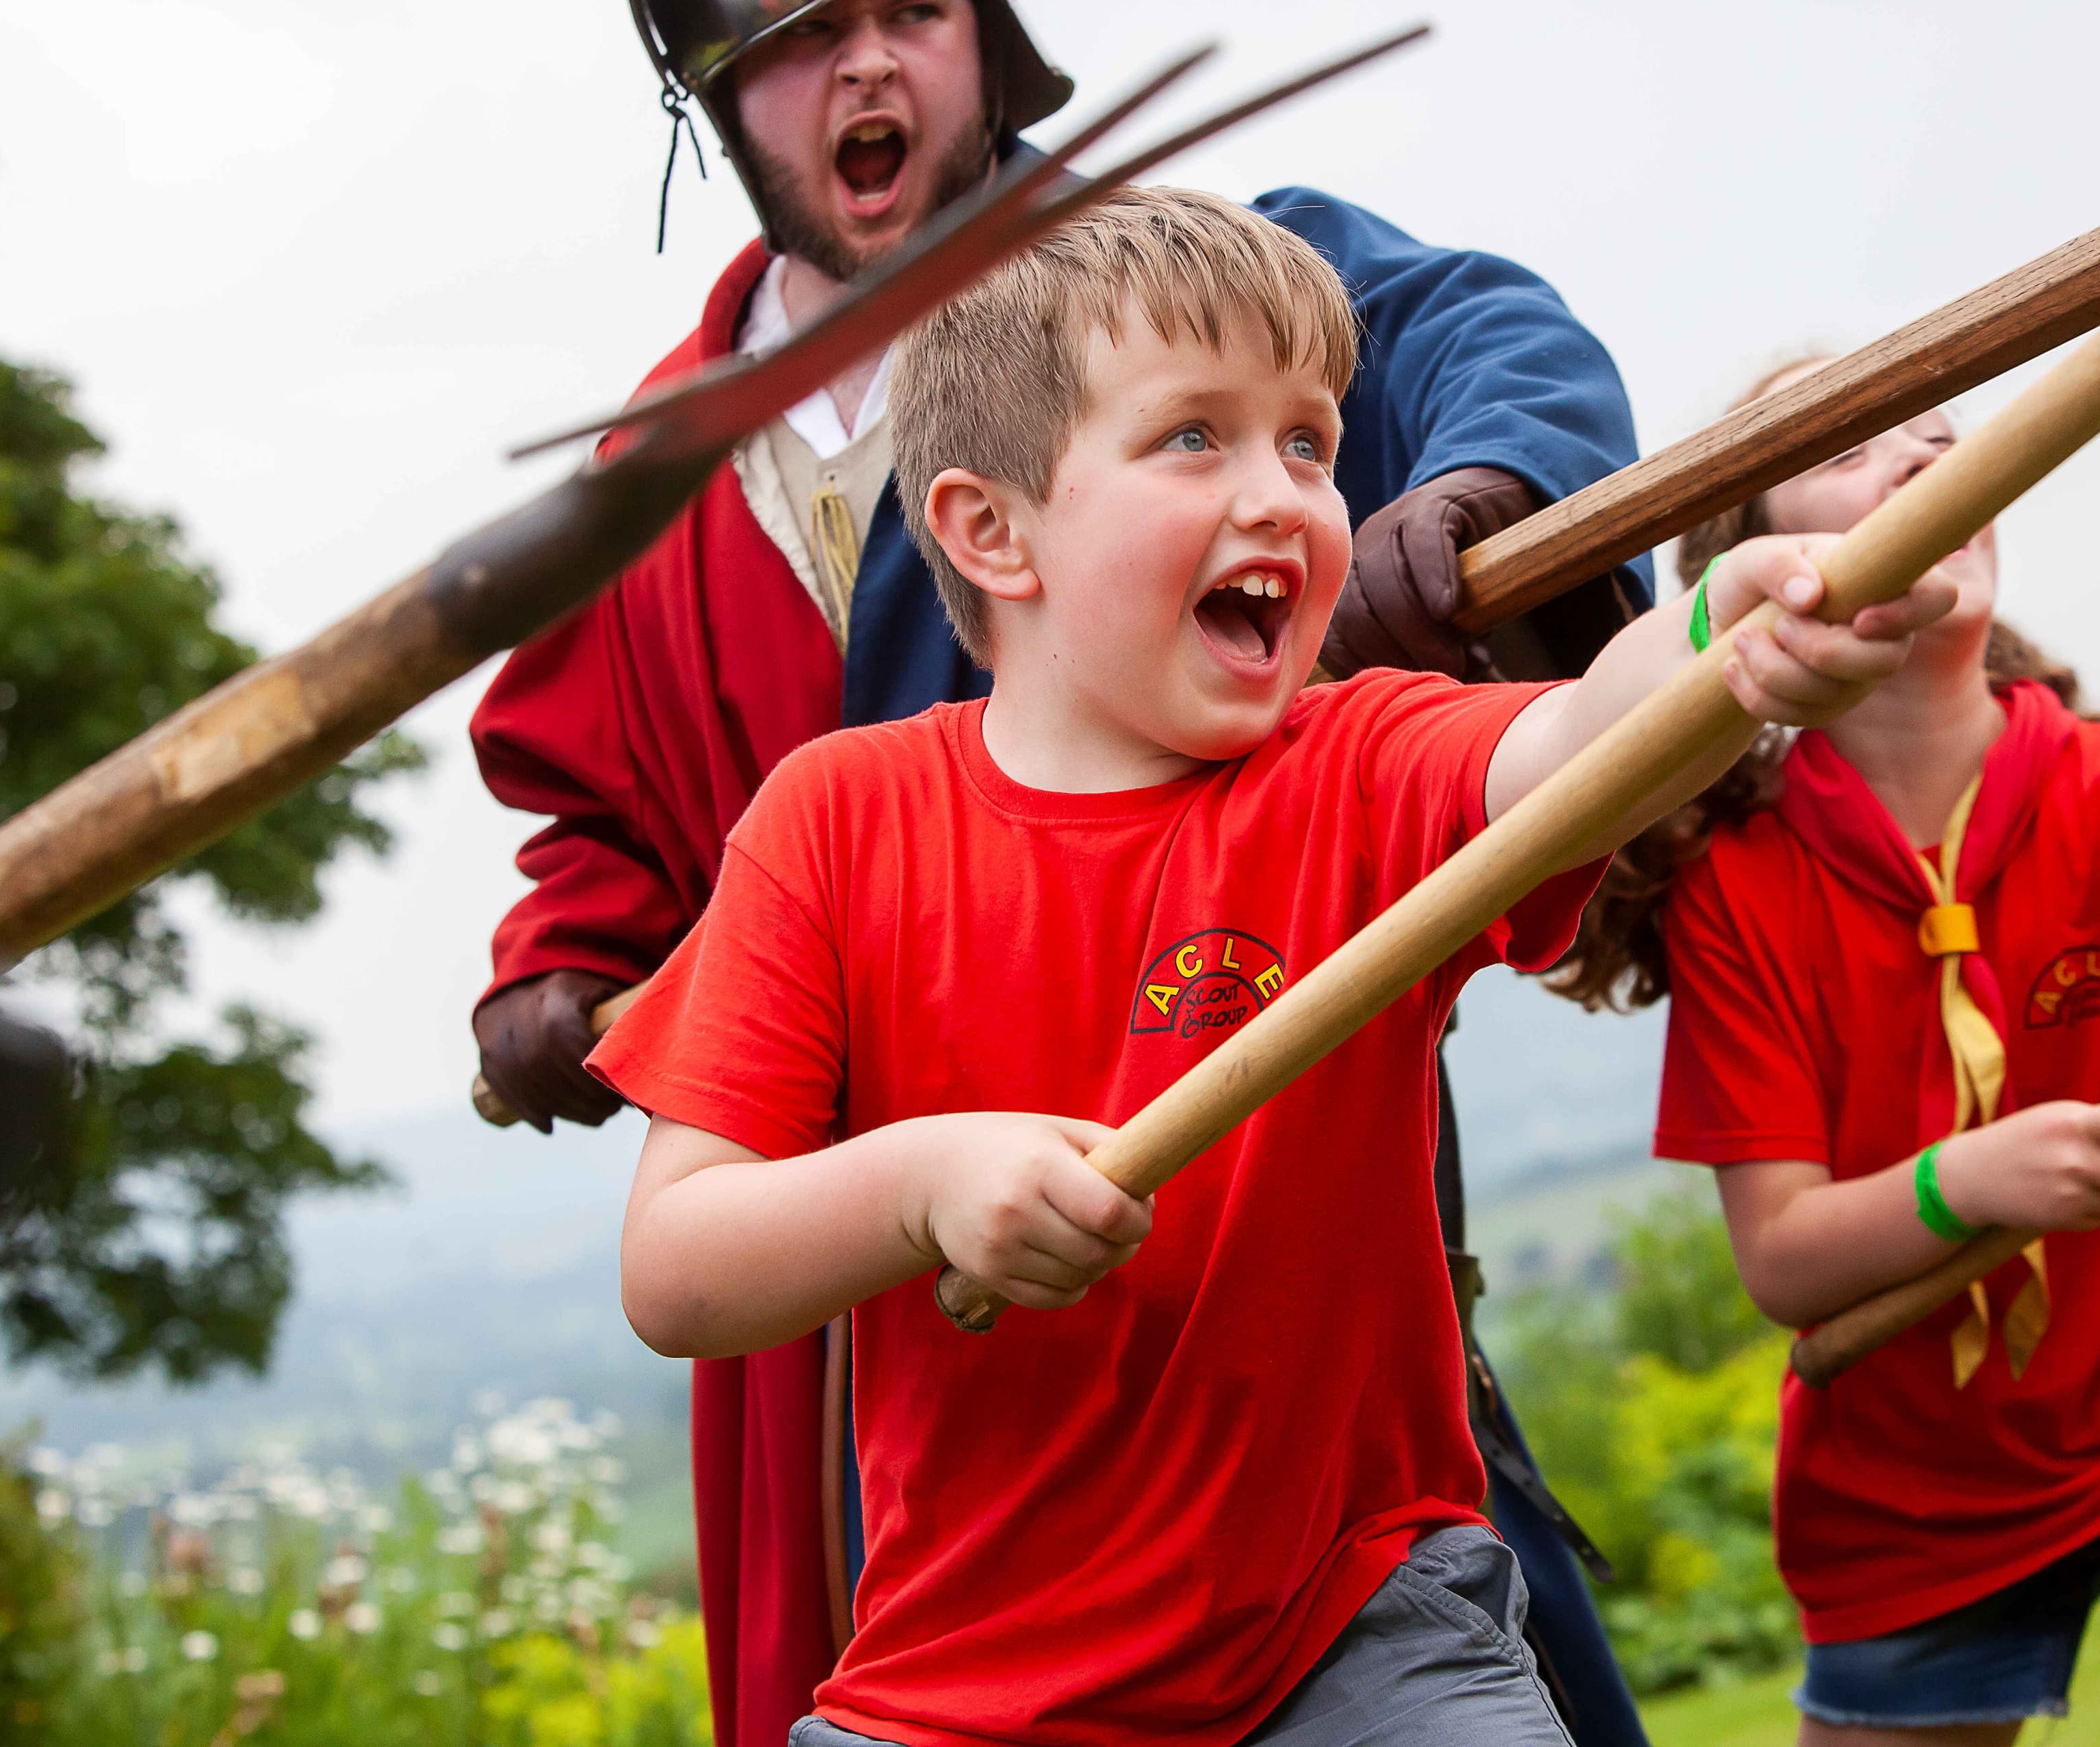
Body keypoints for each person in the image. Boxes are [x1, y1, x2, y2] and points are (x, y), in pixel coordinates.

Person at [592, 189, 1949, 1746]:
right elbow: (677, 1266)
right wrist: (919, 1181)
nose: (1287, 499)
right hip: (961, 1687)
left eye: (1310, 444)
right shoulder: (834, 824)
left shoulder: (1356, 762)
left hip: (1364, 1634)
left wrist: (1723, 630)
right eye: (1197, 440)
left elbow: (1588, 735)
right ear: (990, 527)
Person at [471, 4, 1659, 1742]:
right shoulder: (658, 469)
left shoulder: (1173, 289)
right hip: (848, 1258)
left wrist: (1483, 492)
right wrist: (561, 956)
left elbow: (1483, 342)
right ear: (721, 89)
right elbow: (598, 798)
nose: (867, 68)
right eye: (804, 30)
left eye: (910, 12)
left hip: (1259, 1124)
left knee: (1388, 1614)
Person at [1547, 356, 2100, 1746]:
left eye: (1945, 432)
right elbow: (1783, 1258)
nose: (1929, 460)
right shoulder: (1745, 884)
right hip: (1907, 1476)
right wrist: (1963, 1183)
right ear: (1763, 572)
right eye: (1862, 449)